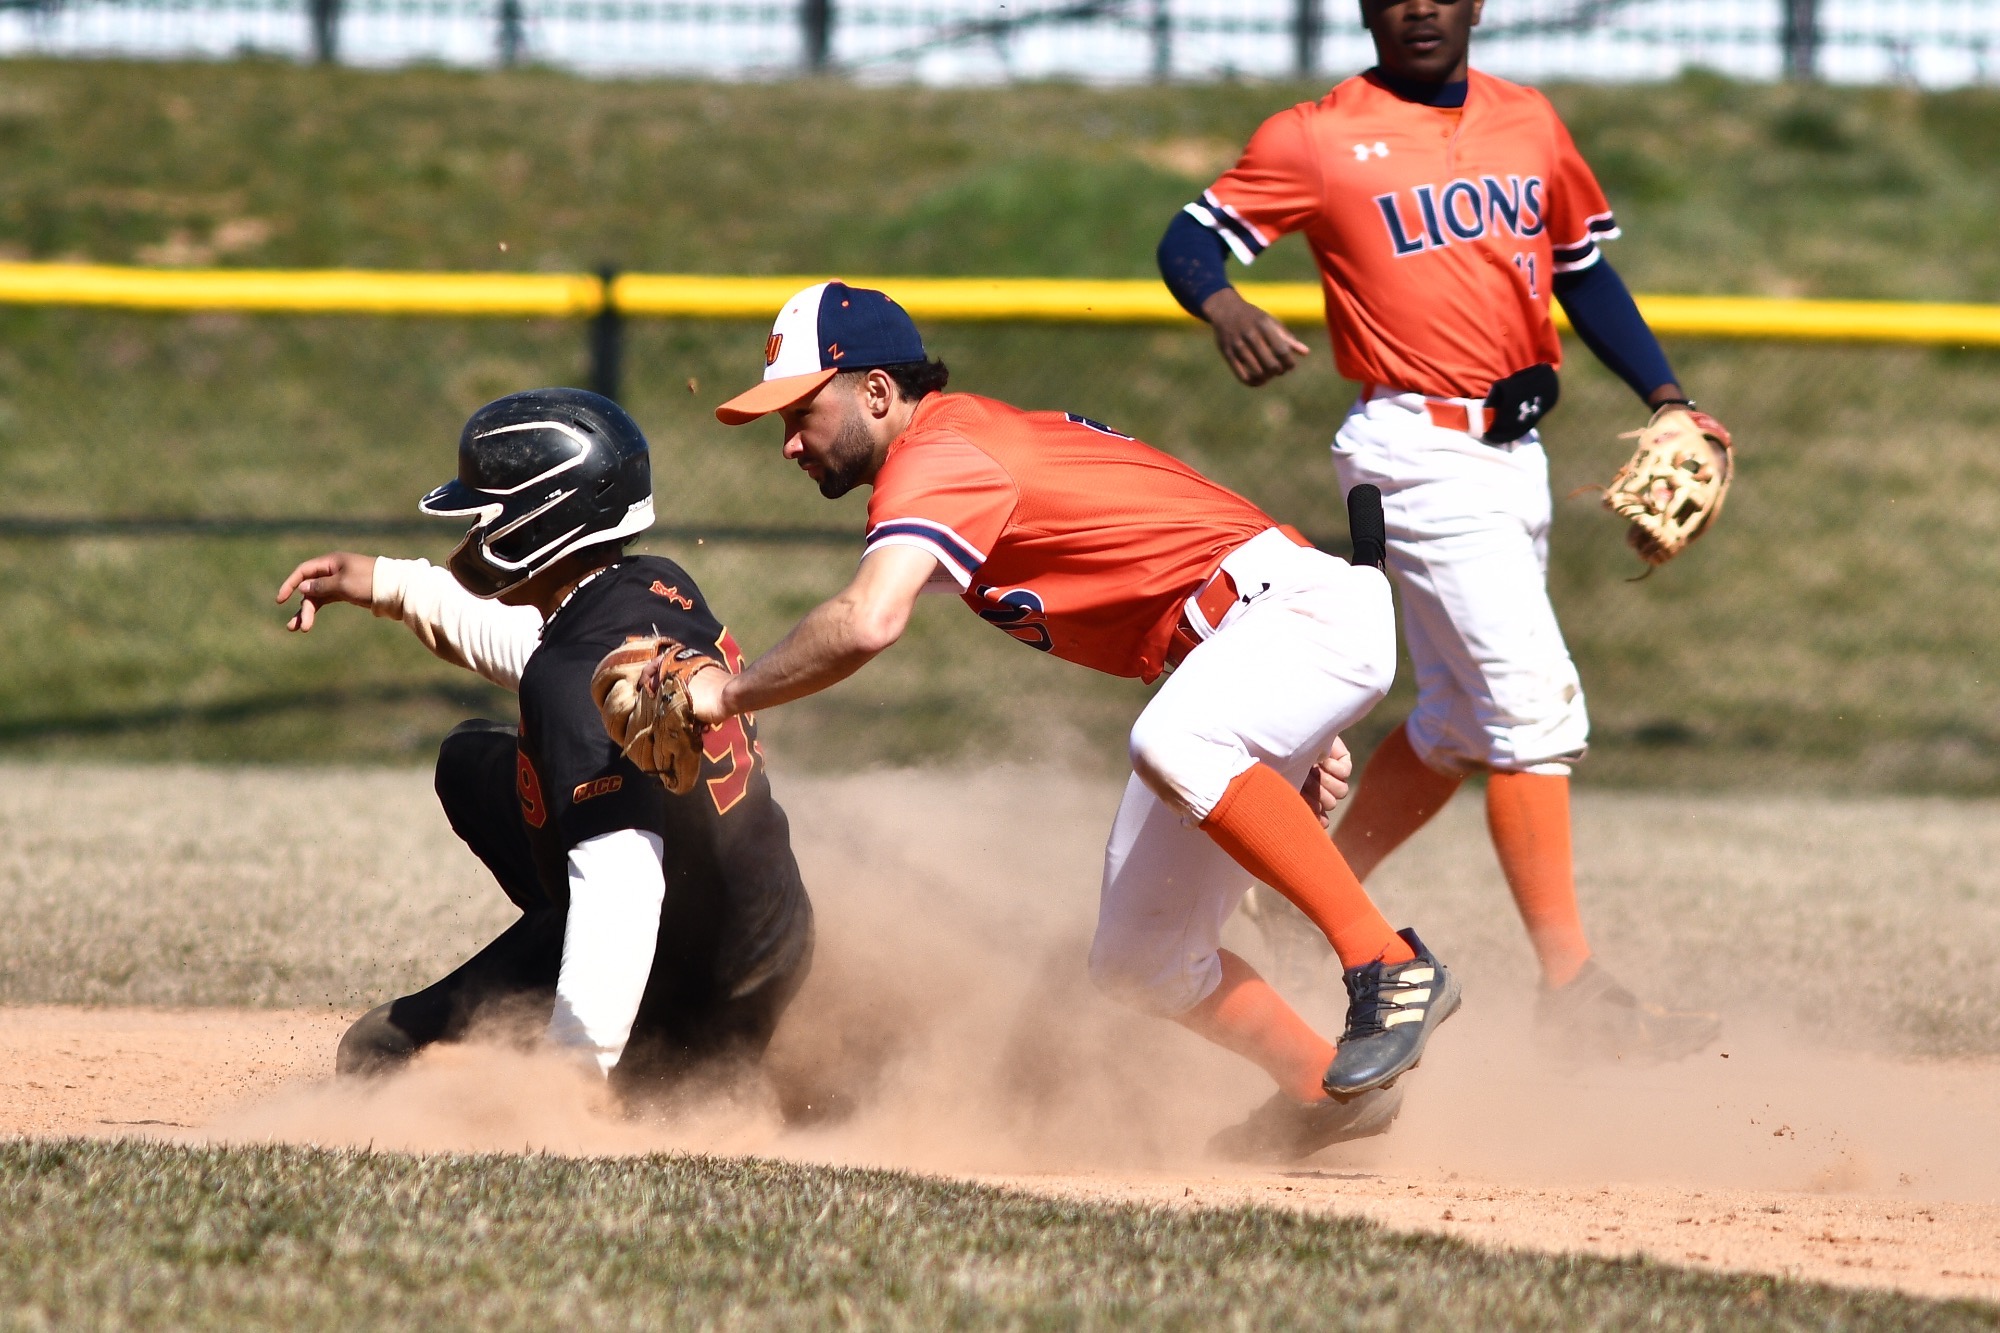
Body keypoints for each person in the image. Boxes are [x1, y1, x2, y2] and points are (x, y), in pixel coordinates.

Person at [662, 279, 1458, 1162]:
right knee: (1138, 960)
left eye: (799, 411)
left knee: (1171, 741)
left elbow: (866, 620)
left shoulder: (942, 454)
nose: (788, 442)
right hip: (1254, 628)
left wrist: (723, 693)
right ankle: (1327, 1088)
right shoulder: (959, 453)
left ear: (876, 392)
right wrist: (1286, 720)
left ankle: (1387, 965)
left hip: (1288, 609)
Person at [1153, 0, 1723, 1061]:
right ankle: (1575, 998)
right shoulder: (1315, 136)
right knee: (1531, 709)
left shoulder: (1528, 123)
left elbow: (1581, 271)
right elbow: (1189, 238)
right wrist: (1221, 305)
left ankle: (1297, 901)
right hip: (1414, 444)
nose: (1416, 6)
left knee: (1460, 725)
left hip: (1516, 455)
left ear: (1474, 5)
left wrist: (1665, 396)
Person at [275, 387, 813, 1098]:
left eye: (488, 513)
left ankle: (650, 1054)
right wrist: (385, 583)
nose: (473, 532)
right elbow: (541, 649)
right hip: (767, 926)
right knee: (471, 763)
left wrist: (572, 1072)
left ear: (540, 521)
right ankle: (615, 1017)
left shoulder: (567, 681)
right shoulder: (654, 586)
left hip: (699, 972)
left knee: (377, 1047)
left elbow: (622, 882)